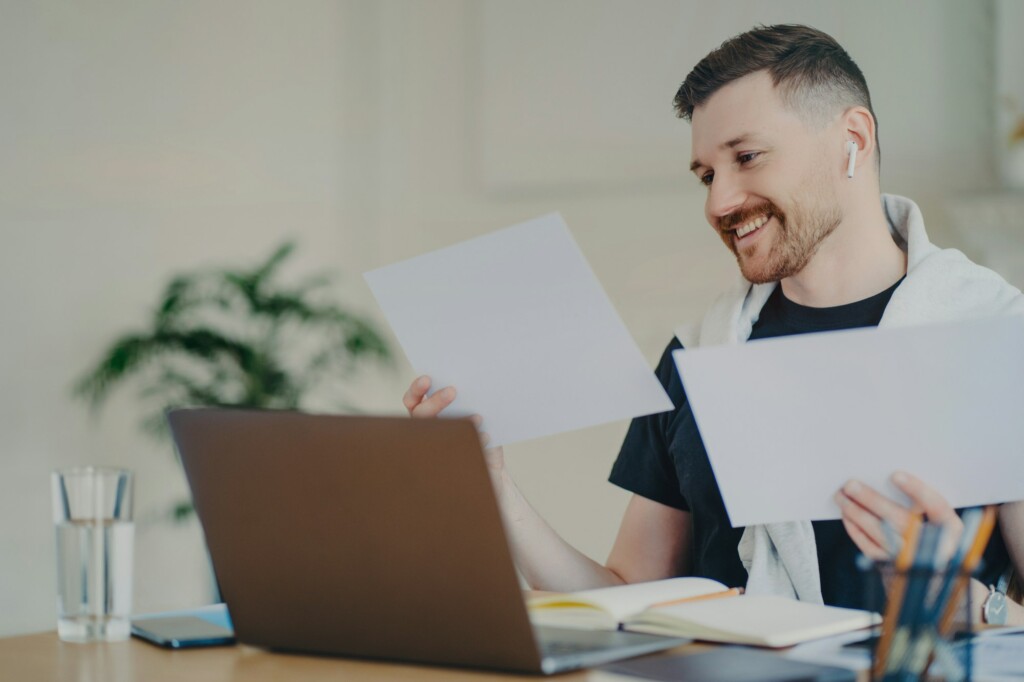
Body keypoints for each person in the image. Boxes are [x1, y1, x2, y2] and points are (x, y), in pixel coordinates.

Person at [403, 24, 1024, 624]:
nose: (718, 203)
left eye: (747, 157)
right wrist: (491, 485)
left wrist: (968, 605)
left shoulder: (995, 341)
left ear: (852, 140)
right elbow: (627, 597)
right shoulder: (697, 358)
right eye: (706, 176)